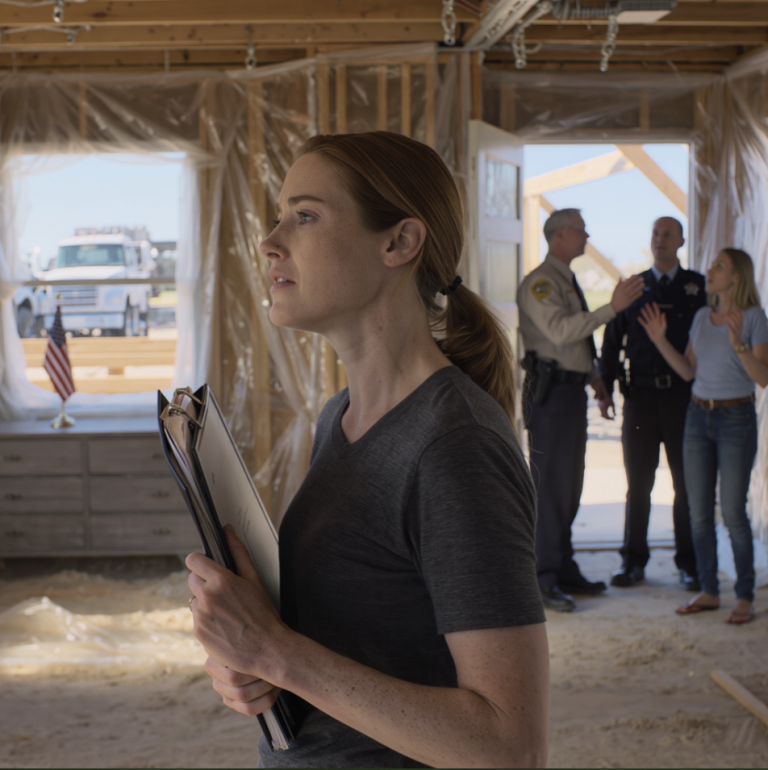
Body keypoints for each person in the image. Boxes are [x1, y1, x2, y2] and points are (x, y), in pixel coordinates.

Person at [185, 132, 550, 768]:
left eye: (304, 216)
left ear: (399, 242)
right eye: (278, 218)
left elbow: (509, 747)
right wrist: (256, 664)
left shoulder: (454, 447)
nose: (269, 243)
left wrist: (278, 654)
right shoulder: (342, 417)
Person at [517, 208, 645, 612]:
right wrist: (613, 308)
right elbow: (559, 331)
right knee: (552, 485)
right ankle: (543, 576)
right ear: (559, 236)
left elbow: (572, 344)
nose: (587, 235)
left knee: (570, 485)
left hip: (569, 393)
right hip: (550, 396)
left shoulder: (564, 279)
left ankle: (563, 566)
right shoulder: (541, 282)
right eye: (581, 230)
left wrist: (595, 381)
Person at [639, 247, 768, 625]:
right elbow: (687, 371)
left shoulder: (754, 318)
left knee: (732, 511)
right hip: (697, 417)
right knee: (698, 513)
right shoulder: (700, 317)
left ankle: (744, 595)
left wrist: (739, 346)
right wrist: (660, 338)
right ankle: (710, 591)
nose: (709, 271)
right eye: (712, 265)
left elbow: (762, 377)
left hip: (736, 418)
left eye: (719, 266)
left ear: (737, 277)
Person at [600, 217, 705, 590]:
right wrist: (605, 389)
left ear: (680, 241)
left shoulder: (698, 288)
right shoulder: (634, 286)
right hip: (641, 399)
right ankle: (633, 561)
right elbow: (612, 342)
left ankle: (689, 564)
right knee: (639, 484)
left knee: (686, 485)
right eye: (655, 234)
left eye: (666, 235)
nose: (659, 240)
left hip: (683, 400)